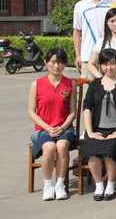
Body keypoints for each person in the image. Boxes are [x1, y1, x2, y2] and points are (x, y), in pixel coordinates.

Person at [79, 48, 116, 201]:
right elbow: (87, 107)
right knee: (92, 149)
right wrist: (90, 132)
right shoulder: (95, 84)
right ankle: (99, 185)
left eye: (113, 63)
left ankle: (110, 183)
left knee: (111, 148)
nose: (109, 67)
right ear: (100, 66)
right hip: (97, 128)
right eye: (105, 64)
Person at [28, 48, 78, 201]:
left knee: (62, 146)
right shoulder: (36, 84)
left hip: (65, 128)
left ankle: (60, 184)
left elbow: (72, 112)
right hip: (43, 129)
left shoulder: (70, 84)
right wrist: (48, 128)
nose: (57, 66)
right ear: (46, 63)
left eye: (61, 62)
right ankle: (48, 184)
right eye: (53, 62)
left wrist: (63, 127)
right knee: (49, 148)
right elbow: (31, 112)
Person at [73, 0, 113, 82]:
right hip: (87, 56)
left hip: (108, 56)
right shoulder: (80, 6)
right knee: (87, 88)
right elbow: (76, 31)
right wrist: (78, 55)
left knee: (109, 87)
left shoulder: (112, 5)